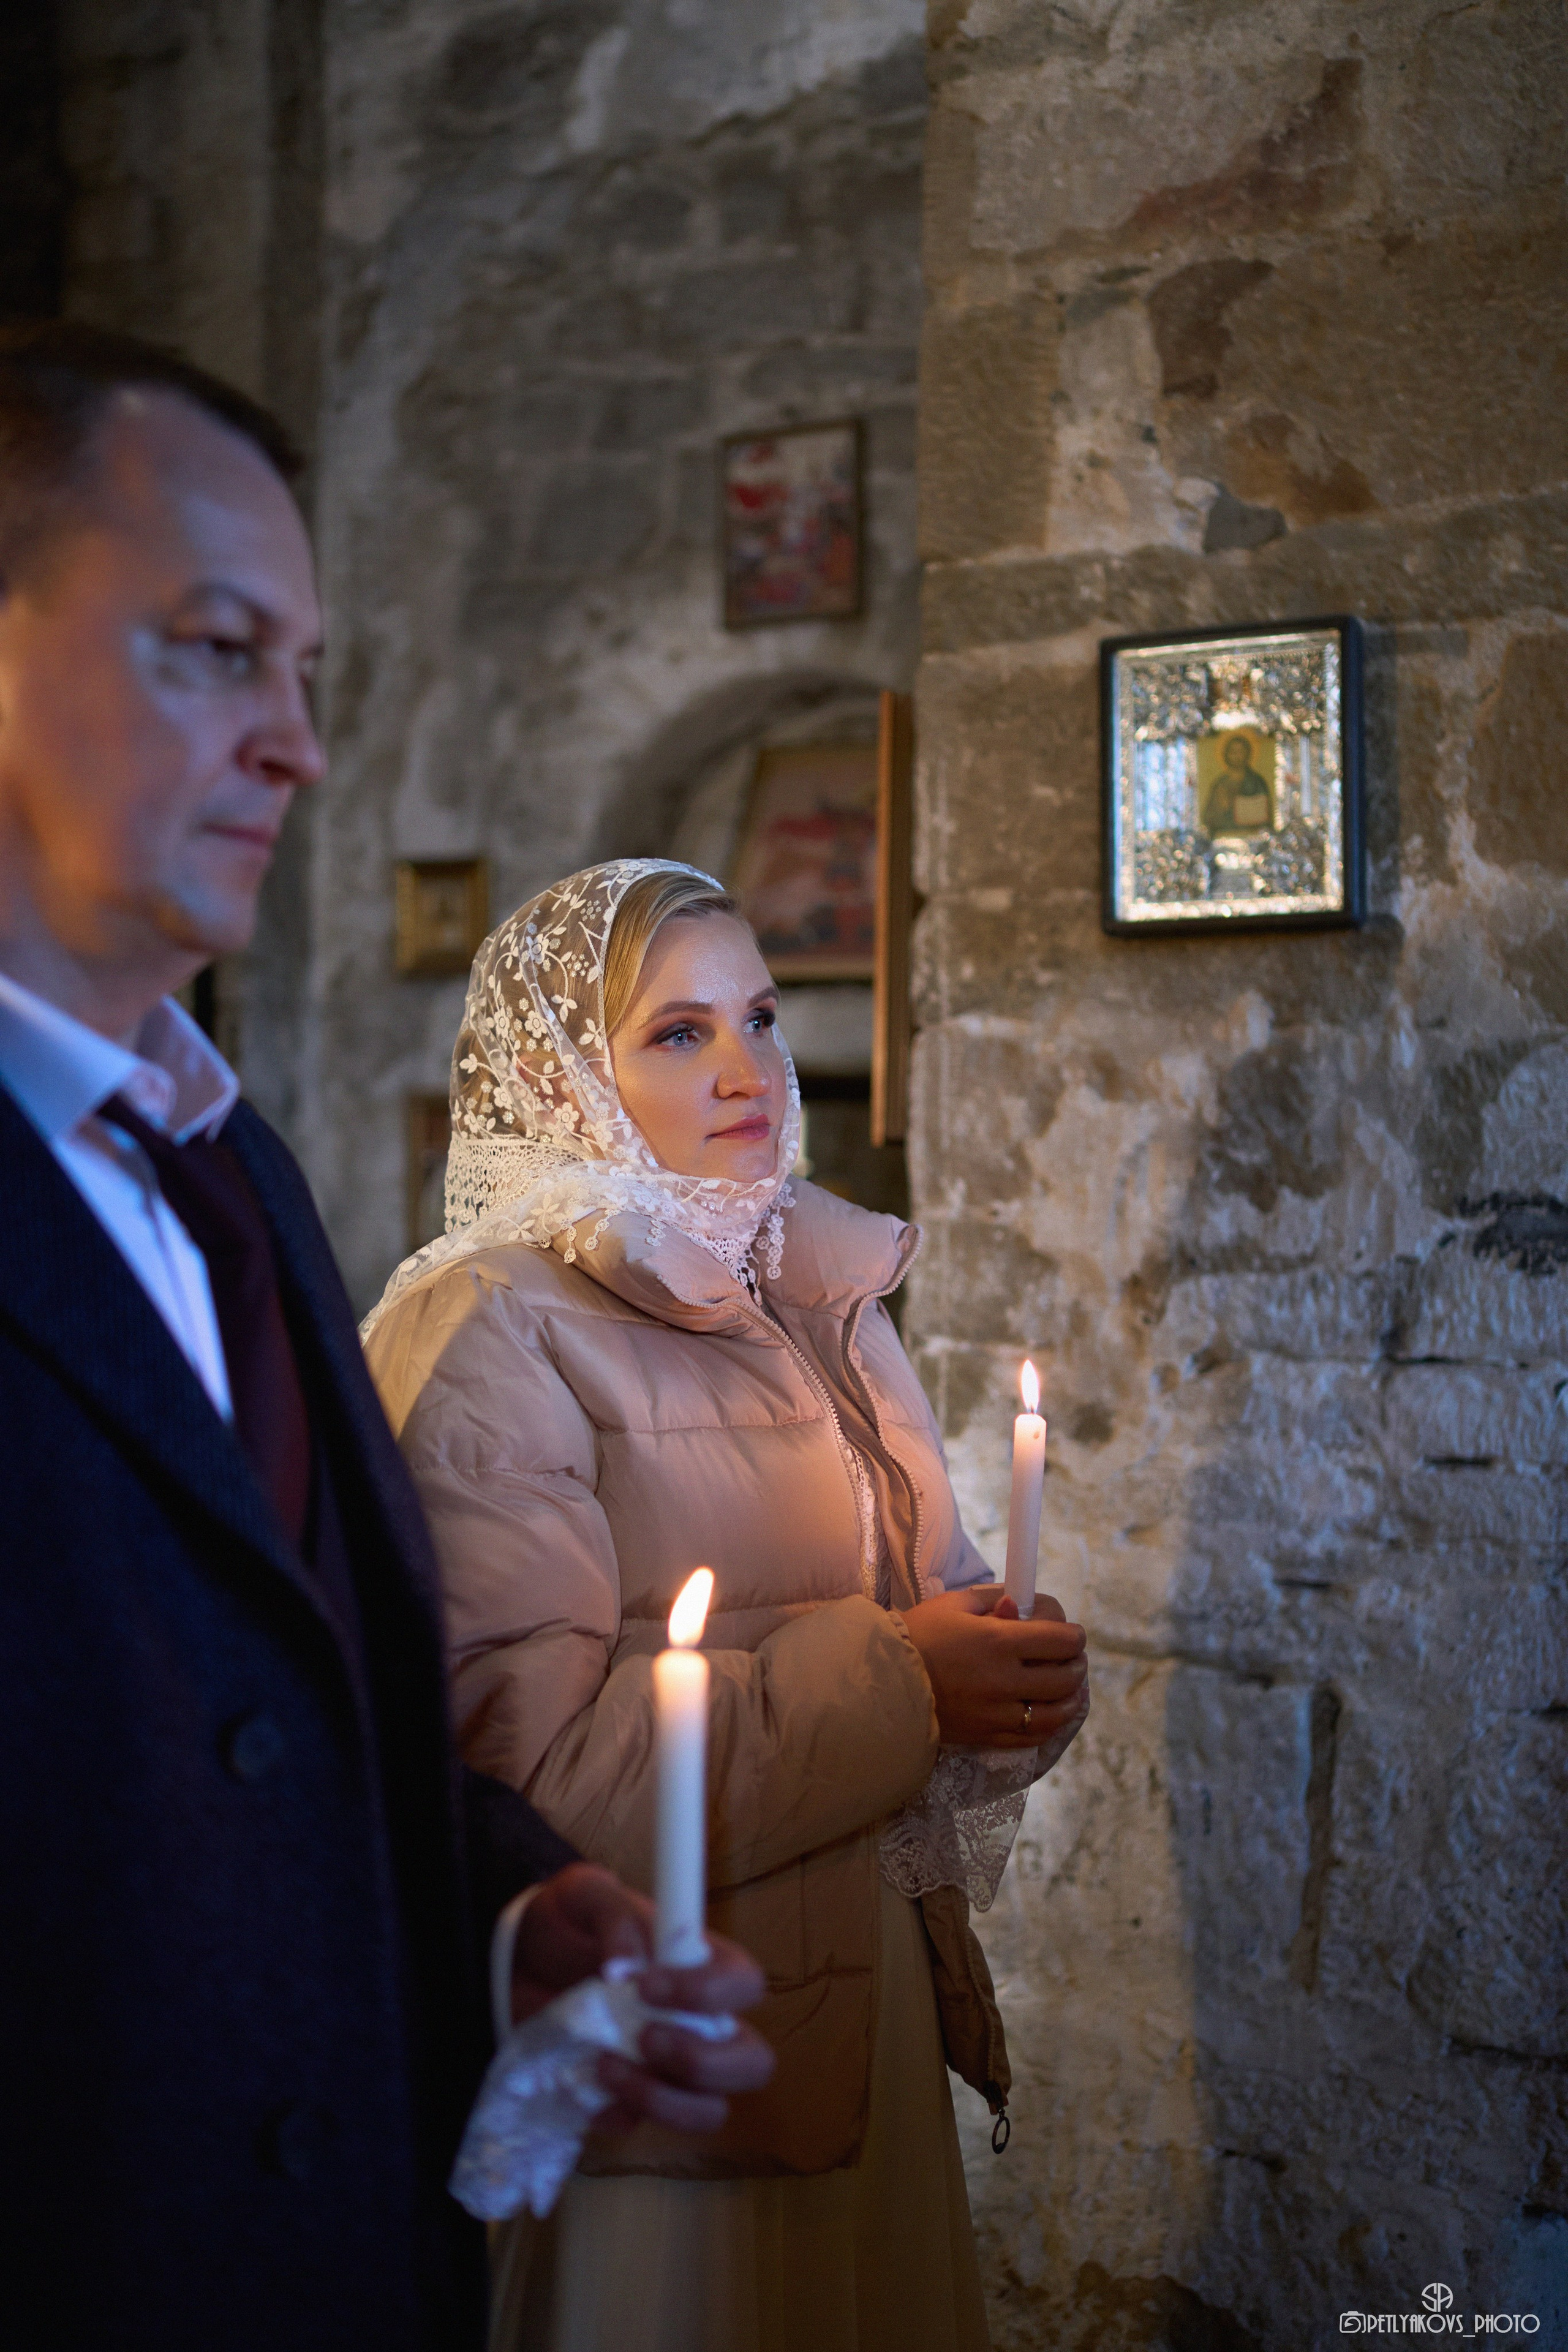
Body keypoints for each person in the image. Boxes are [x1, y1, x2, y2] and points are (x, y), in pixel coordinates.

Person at [0, 324, 772, 2352]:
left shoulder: (224, 1161)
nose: (300, 746)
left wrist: (505, 1916)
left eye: (308, 677)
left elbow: (298, 1710)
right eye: (215, 648)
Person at [363, 860, 1091, 2352]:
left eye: (758, 1016)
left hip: (856, 2003)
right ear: (557, 1077)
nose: (750, 1067)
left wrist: (1001, 1677)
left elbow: (924, 1611)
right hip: (661, 2053)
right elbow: (519, 1782)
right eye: (677, 1033)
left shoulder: (803, 1289)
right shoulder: (492, 1325)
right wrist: (907, 1680)